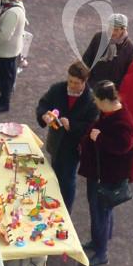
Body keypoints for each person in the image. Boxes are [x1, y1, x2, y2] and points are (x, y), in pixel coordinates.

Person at [77, 80, 133, 266]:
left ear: (105, 100)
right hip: (100, 172)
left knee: (100, 212)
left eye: (96, 99)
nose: (95, 103)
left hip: (107, 176)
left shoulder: (123, 122)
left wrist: (99, 138)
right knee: (103, 210)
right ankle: (99, 241)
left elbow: (122, 146)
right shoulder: (112, 113)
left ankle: (101, 252)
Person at [35, 61, 98, 213]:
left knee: (68, 180)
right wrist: (44, 115)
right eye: (70, 81)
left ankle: (65, 213)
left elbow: (92, 125)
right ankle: (51, 208)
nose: (71, 85)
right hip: (56, 143)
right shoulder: (57, 89)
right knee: (54, 175)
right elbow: (43, 104)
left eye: (76, 83)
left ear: (85, 82)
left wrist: (72, 126)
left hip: (73, 147)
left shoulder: (91, 100)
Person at [82, 14, 133, 87]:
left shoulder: (129, 48)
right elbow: (86, 59)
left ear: (123, 29)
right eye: (110, 28)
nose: (112, 32)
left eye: (116, 29)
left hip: (112, 90)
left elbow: (127, 73)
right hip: (93, 84)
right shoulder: (98, 38)